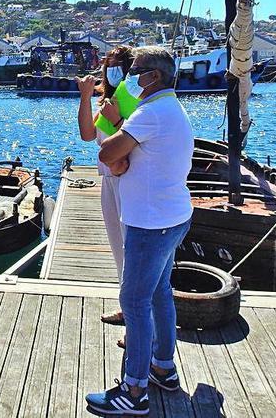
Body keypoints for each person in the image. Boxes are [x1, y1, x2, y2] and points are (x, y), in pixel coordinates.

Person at [85, 46, 194, 416]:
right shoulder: (172, 109)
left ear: (153, 77)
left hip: (151, 223)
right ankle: (163, 366)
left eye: (136, 70)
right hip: (173, 215)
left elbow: (106, 153)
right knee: (161, 293)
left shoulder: (150, 113)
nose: (130, 76)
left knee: (133, 300)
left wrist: (115, 120)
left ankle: (134, 391)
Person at [76, 45, 138, 326]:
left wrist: (119, 120)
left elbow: (138, 138)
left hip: (131, 180)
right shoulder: (109, 101)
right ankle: (127, 307)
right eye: (109, 65)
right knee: (118, 248)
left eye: (118, 65)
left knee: (133, 248)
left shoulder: (134, 100)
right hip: (108, 180)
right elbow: (88, 134)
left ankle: (137, 316)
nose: (112, 70)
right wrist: (86, 97)